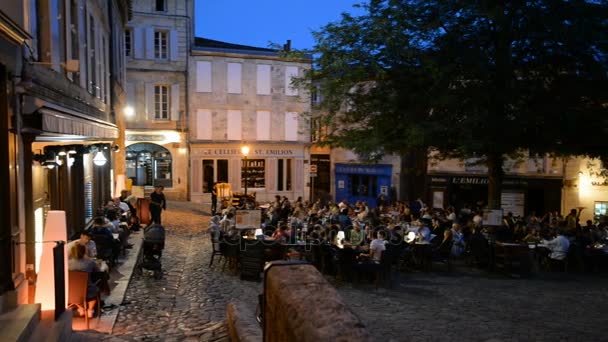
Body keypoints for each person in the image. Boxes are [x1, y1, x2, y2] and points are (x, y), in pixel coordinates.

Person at [68, 243, 101, 318]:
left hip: (71, 292)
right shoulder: (90, 262)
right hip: (87, 291)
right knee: (95, 289)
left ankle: (81, 308)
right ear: (84, 252)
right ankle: (90, 309)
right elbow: (98, 271)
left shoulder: (68, 263)